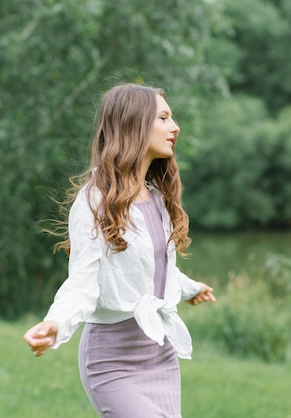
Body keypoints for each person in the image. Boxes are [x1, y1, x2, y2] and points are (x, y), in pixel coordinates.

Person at [23, 83, 215, 417]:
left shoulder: (157, 197)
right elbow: (84, 282)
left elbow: (151, 269)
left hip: (160, 351)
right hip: (113, 358)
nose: (175, 127)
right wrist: (55, 323)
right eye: (164, 118)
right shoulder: (95, 201)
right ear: (134, 125)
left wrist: (190, 289)